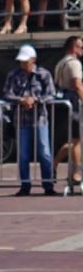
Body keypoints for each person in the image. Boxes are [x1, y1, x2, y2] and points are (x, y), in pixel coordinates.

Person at [4, 42, 57, 195]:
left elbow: (51, 93)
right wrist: (22, 100)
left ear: (33, 59)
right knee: (23, 154)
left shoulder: (44, 74)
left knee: (44, 152)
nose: (23, 64)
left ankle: (48, 185)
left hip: (40, 118)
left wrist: (36, 100)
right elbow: (7, 93)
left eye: (26, 61)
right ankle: (25, 185)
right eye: (21, 61)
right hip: (21, 120)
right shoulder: (13, 75)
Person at [54, 35, 83, 194]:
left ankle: (54, 164)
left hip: (64, 103)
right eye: (81, 47)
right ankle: (77, 174)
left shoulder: (61, 62)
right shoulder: (74, 63)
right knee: (77, 140)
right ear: (74, 48)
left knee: (74, 140)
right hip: (73, 103)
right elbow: (77, 85)